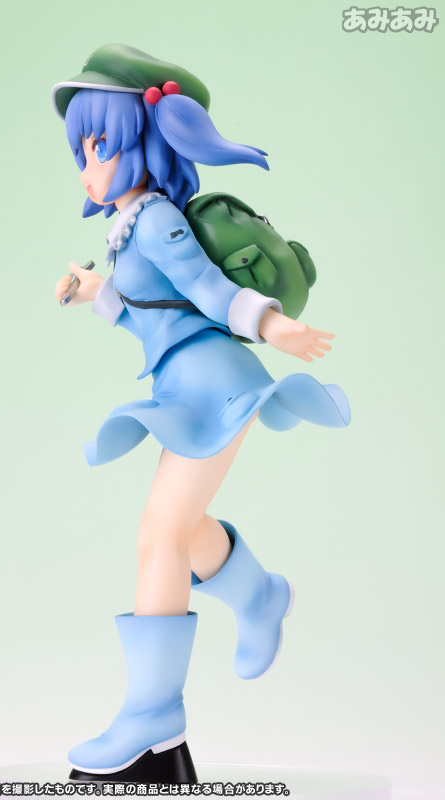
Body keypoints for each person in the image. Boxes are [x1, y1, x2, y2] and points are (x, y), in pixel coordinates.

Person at [52, 44, 350, 782]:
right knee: (180, 530)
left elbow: (210, 293)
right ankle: (260, 595)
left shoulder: (157, 221)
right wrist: (96, 292)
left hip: (214, 383)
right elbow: (154, 314)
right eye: (82, 149)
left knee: (158, 534)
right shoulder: (131, 225)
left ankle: (153, 714)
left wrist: (273, 325)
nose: (88, 166)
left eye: (100, 144)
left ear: (144, 143)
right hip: (183, 384)